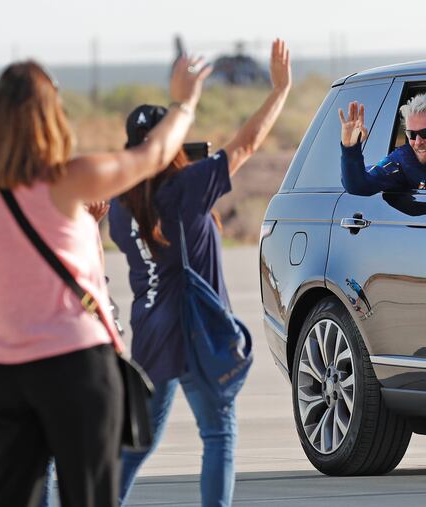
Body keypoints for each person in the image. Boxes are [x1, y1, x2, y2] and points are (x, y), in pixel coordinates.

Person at [0, 55, 211, 507]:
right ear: (51, 115)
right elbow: (153, 156)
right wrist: (184, 104)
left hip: (1, 373)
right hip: (77, 366)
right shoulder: (70, 179)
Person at [110, 38, 291, 507]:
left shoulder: (117, 205)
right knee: (217, 433)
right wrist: (279, 90)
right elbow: (246, 144)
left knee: (138, 442)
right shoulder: (187, 189)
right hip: (197, 332)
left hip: (150, 330)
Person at [340, 92, 426, 195]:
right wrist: (350, 150)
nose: (418, 142)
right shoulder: (404, 161)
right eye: (411, 134)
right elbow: (359, 185)